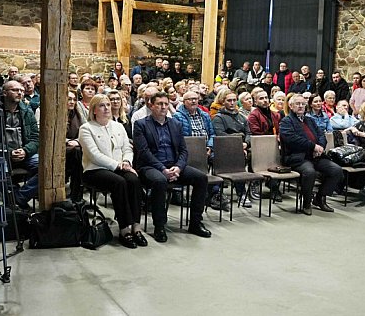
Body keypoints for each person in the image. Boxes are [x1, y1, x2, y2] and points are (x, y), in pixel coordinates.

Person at [134, 92, 212, 242]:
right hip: (150, 167)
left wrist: (178, 167)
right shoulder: (141, 125)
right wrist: (163, 169)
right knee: (160, 181)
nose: (163, 107)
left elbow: (183, 150)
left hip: (174, 165)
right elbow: (144, 152)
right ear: (151, 106)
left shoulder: (175, 124)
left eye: (165, 104)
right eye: (159, 104)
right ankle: (159, 226)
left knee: (201, 178)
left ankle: (195, 222)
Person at [79, 94, 146, 249]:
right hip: (95, 170)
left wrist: (127, 162)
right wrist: (118, 165)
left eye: (108, 105)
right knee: (119, 182)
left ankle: (136, 226)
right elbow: (94, 155)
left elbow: (127, 148)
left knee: (134, 180)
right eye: (102, 105)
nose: (107, 108)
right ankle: (124, 229)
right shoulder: (86, 128)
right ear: (94, 110)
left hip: (120, 166)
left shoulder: (118, 126)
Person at [0, 80, 40, 208]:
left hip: (24, 154)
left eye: (21, 91)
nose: (20, 93)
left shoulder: (27, 112)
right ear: (4, 93)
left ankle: (18, 198)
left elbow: (36, 137)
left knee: (46, 167)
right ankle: (16, 200)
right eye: (15, 90)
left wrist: (26, 150)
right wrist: (6, 151)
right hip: (1, 154)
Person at [279, 94, 343, 215]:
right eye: (297, 104)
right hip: (297, 157)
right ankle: (306, 203)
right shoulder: (286, 121)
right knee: (309, 172)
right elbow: (292, 139)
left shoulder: (310, 120)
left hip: (315, 156)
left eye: (303, 104)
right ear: (291, 106)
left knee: (336, 170)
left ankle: (320, 198)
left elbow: (321, 136)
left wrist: (320, 148)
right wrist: (313, 146)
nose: (301, 106)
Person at [211, 91, 255, 207]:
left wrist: (246, 143)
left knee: (243, 157)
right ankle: (220, 193)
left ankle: (242, 193)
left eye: (234, 100)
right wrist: (238, 142)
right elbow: (221, 135)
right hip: (224, 149)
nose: (232, 103)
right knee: (235, 159)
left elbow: (249, 133)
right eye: (229, 100)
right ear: (223, 102)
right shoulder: (218, 118)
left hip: (241, 148)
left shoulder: (242, 118)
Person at [63, 91, 85, 202]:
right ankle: (77, 193)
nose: (72, 102)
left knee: (77, 152)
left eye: (74, 99)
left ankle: (76, 192)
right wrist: (67, 141)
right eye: (69, 99)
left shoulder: (78, 114)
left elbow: (85, 131)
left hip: (75, 146)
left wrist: (77, 141)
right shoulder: (56, 114)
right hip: (58, 147)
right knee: (77, 154)